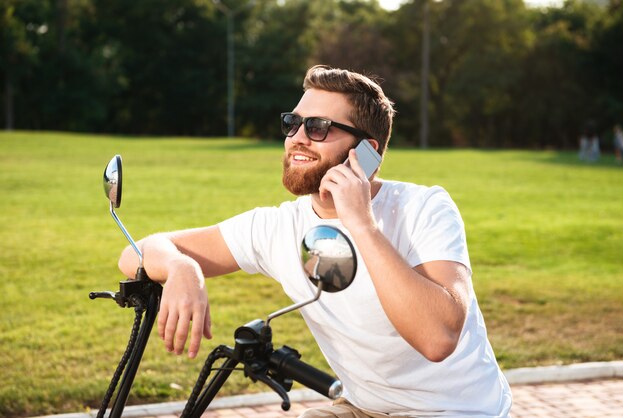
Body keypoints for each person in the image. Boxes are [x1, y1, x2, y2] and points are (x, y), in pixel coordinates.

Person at [118, 65, 512, 417]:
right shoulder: (277, 226)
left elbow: (437, 338)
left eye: (318, 127)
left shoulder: (424, 207)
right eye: (293, 123)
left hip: (458, 409)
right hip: (364, 408)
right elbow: (135, 252)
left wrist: (361, 224)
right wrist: (181, 267)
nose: (298, 138)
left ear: (367, 152)